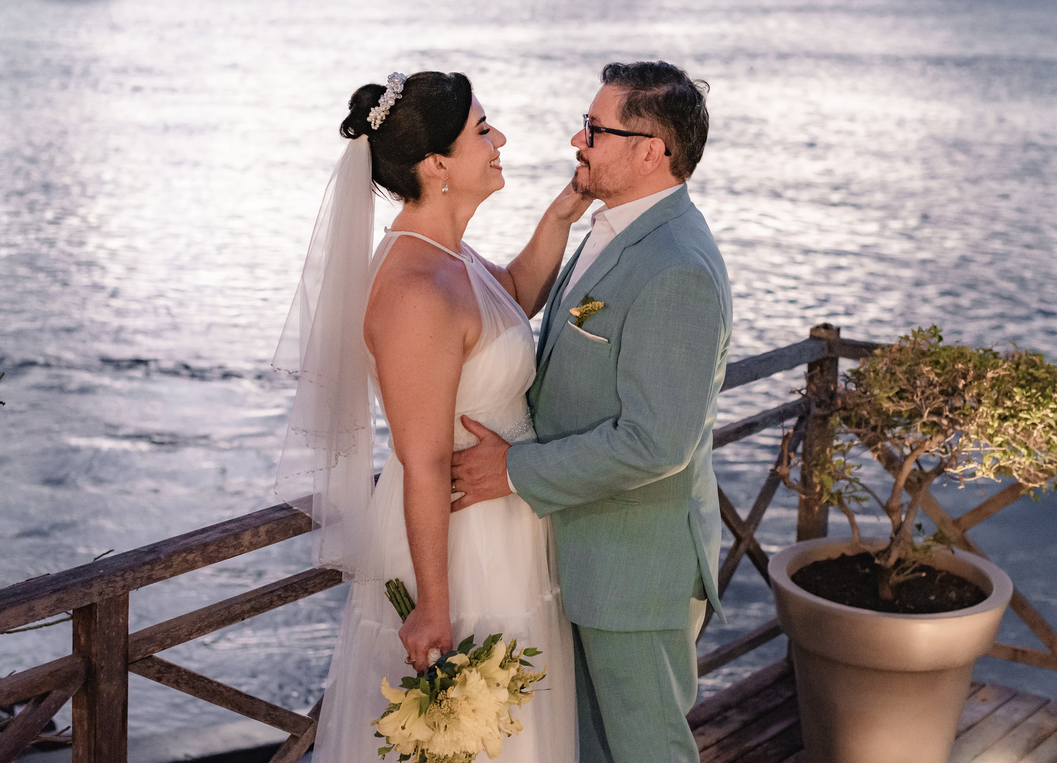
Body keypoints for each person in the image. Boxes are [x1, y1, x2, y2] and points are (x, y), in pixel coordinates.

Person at [272, 71, 585, 763]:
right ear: (437, 163)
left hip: (505, 524)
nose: (500, 140)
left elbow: (513, 295)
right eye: (483, 130)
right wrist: (434, 606)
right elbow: (421, 460)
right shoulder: (414, 288)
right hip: (458, 544)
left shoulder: (451, 256)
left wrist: (564, 212)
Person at [450, 61, 732, 763]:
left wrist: (513, 470)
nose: (578, 141)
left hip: (636, 572)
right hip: (586, 555)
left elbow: (656, 441)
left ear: (650, 151)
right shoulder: (615, 228)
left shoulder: (677, 267)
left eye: (595, 129)